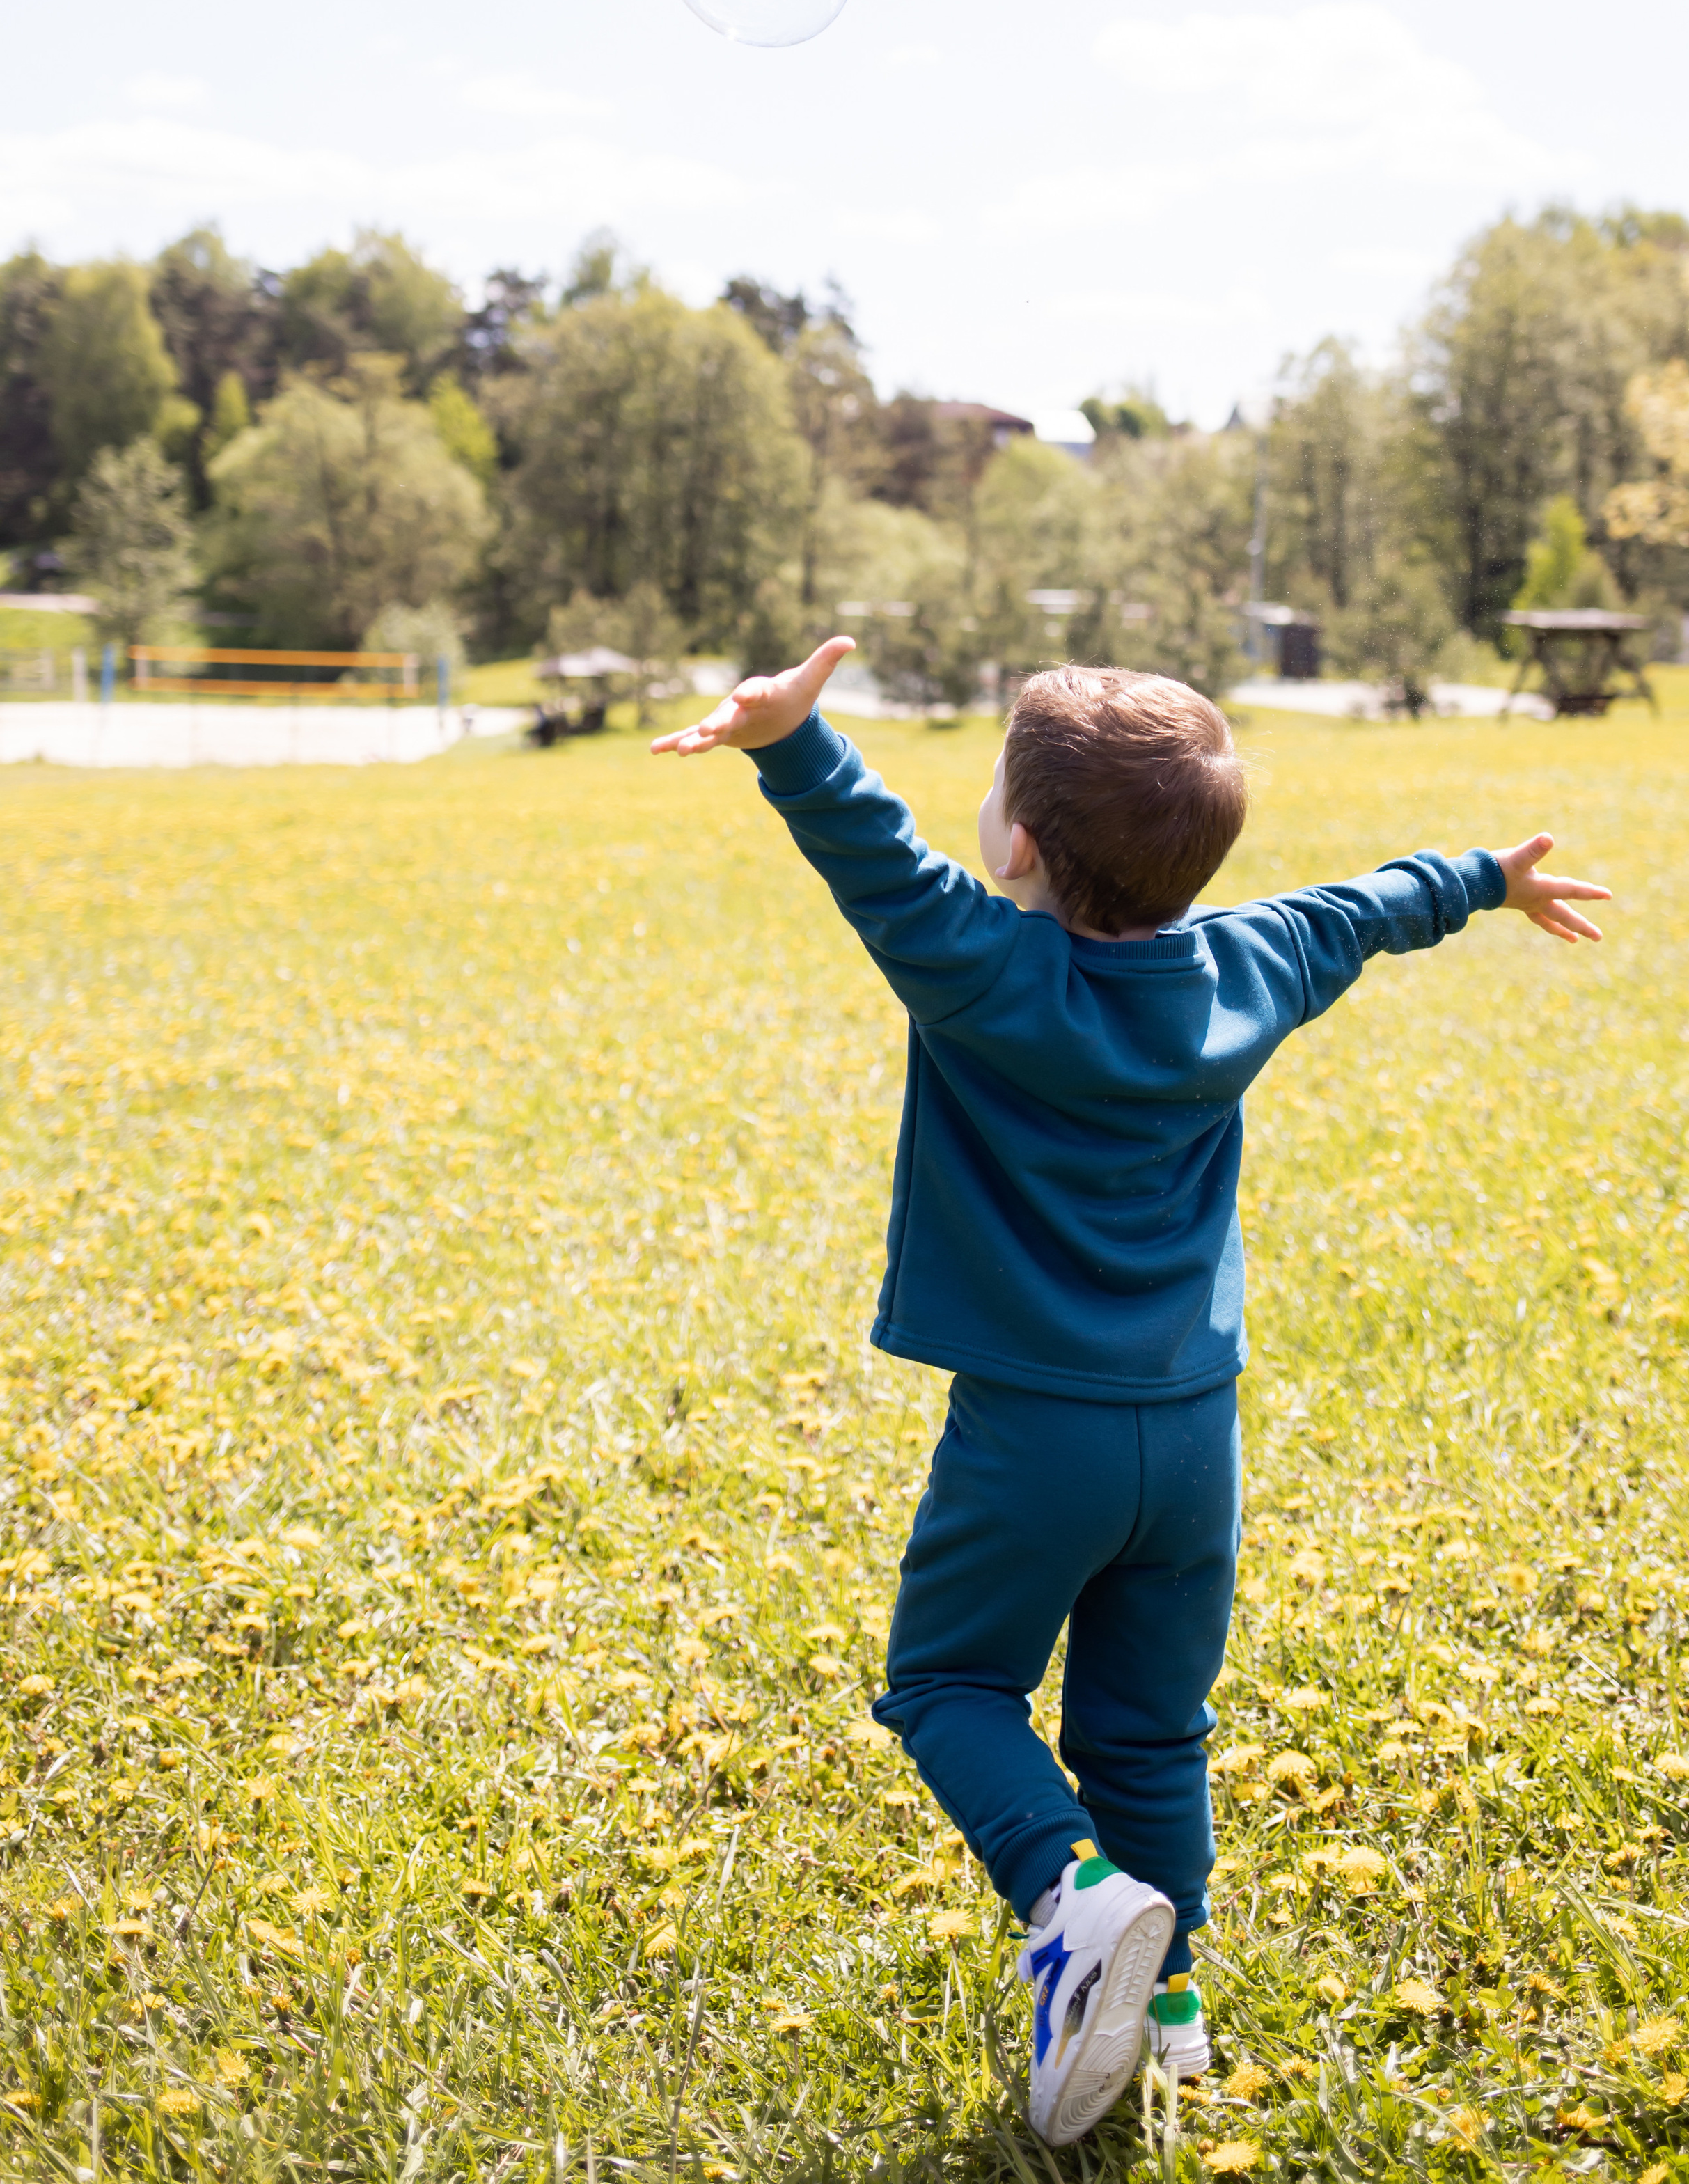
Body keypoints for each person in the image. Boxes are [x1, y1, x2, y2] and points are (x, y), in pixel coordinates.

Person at [653, 638, 1609, 2144]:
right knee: (1149, 1737)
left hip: (1034, 1434)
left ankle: (1074, 1894)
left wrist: (793, 743)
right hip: (1193, 1439)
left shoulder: (981, 967)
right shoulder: (1249, 963)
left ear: (1018, 842)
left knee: (947, 1685)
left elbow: (877, 862)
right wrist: (1483, 876)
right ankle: (1173, 2022)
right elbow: (1363, 909)